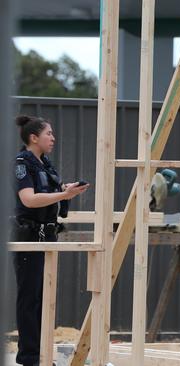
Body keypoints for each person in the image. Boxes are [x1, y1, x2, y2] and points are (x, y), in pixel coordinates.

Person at [11, 115, 89, 366]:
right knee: (30, 299)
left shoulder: (44, 163)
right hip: (30, 238)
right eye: (49, 134)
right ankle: (30, 358)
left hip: (48, 236)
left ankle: (43, 355)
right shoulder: (22, 163)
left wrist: (68, 190)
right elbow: (29, 199)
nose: (53, 138)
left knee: (44, 299)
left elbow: (51, 193)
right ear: (34, 138)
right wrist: (62, 194)